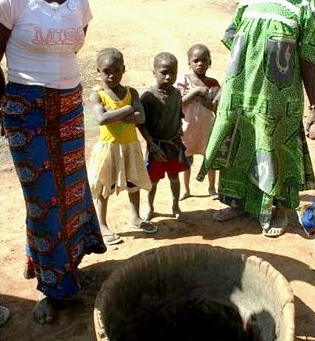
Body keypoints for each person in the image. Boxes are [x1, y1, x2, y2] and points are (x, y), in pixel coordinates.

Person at [0, 0, 104, 325]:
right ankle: (51, 287)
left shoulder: (79, 2)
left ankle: (68, 266)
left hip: (68, 104)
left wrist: (61, 95)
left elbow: (73, 50)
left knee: (73, 190)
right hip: (26, 108)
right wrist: (8, 109)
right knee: (43, 199)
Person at [200, 0, 315, 237]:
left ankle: (276, 210)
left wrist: (314, 107)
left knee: (274, 152)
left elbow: (307, 59)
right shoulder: (248, 2)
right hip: (241, 94)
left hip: (279, 99)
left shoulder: (307, 6)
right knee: (240, 147)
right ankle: (237, 202)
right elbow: (236, 43)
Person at [87, 48, 153, 245]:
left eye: (116, 70)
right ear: (98, 71)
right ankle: (102, 224)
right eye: (106, 71)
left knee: (133, 183)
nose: (112, 75)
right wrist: (128, 109)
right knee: (104, 187)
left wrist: (115, 114)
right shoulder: (97, 95)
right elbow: (102, 119)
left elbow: (141, 117)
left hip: (129, 147)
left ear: (124, 69)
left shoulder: (131, 92)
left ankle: (136, 217)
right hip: (108, 148)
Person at [138, 52, 190, 223]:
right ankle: (150, 207)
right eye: (164, 72)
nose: (169, 77)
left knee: (174, 178)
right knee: (153, 181)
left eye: (173, 73)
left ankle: (175, 205)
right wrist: (152, 145)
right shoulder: (148, 97)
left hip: (173, 145)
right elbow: (141, 123)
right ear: (154, 72)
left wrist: (179, 129)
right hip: (156, 147)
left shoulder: (176, 94)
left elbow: (178, 113)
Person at [178, 44, 221, 199]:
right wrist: (196, 91)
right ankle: (186, 189)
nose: (200, 64)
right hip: (187, 127)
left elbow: (216, 106)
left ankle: (211, 188)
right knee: (186, 159)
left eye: (204, 60)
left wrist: (204, 99)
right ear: (189, 63)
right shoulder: (184, 80)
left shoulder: (213, 83)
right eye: (195, 60)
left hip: (206, 128)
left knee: (209, 158)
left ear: (210, 62)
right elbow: (179, 103)